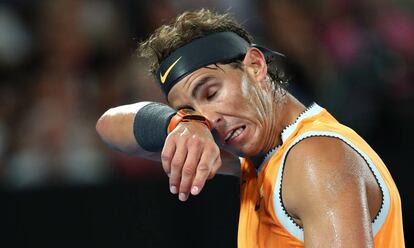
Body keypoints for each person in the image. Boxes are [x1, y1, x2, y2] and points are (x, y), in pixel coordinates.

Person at [96, 9, 405, 247]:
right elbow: (109, 126)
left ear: (255, 66)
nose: (209, 119)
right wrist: (180, 124)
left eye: (211, 93)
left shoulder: (314, 158)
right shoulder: (261, 156)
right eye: (192, 110)